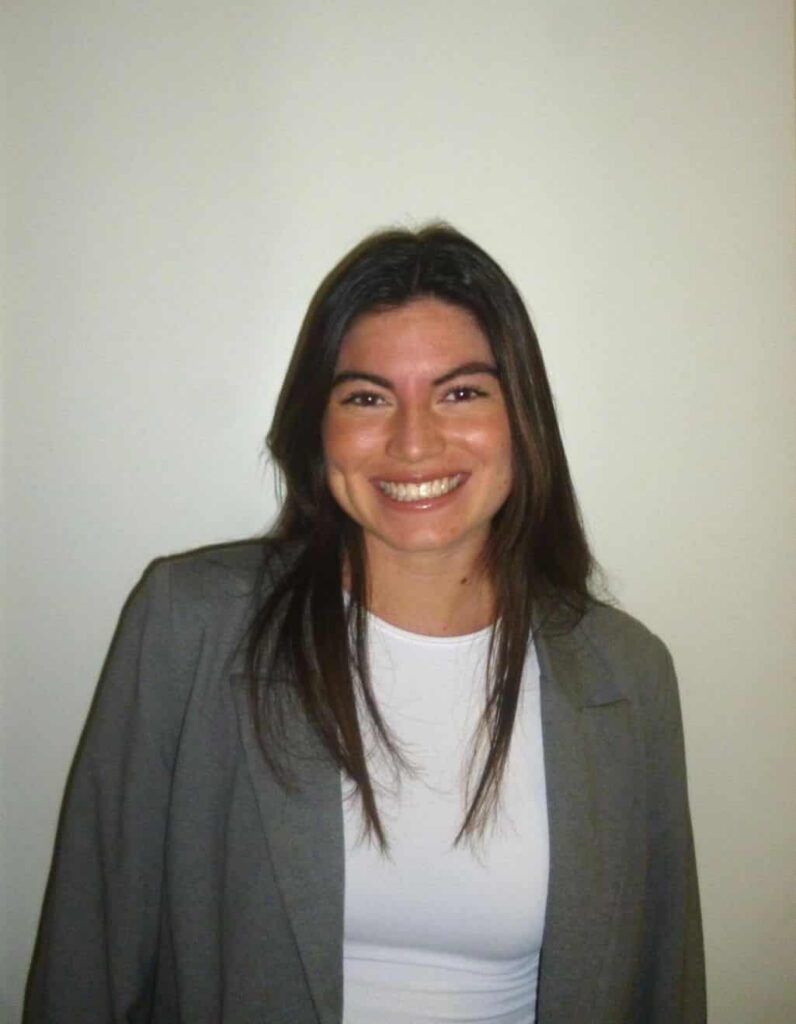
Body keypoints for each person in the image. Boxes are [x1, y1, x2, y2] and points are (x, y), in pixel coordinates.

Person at [25, 225, 706, 1023]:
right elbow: (88, 958)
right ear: (317, 430)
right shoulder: (189, 624)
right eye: (367, 398)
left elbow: (665, 983)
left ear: (522, 419)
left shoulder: (628, 674)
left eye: (461, 393)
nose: (414, 443)